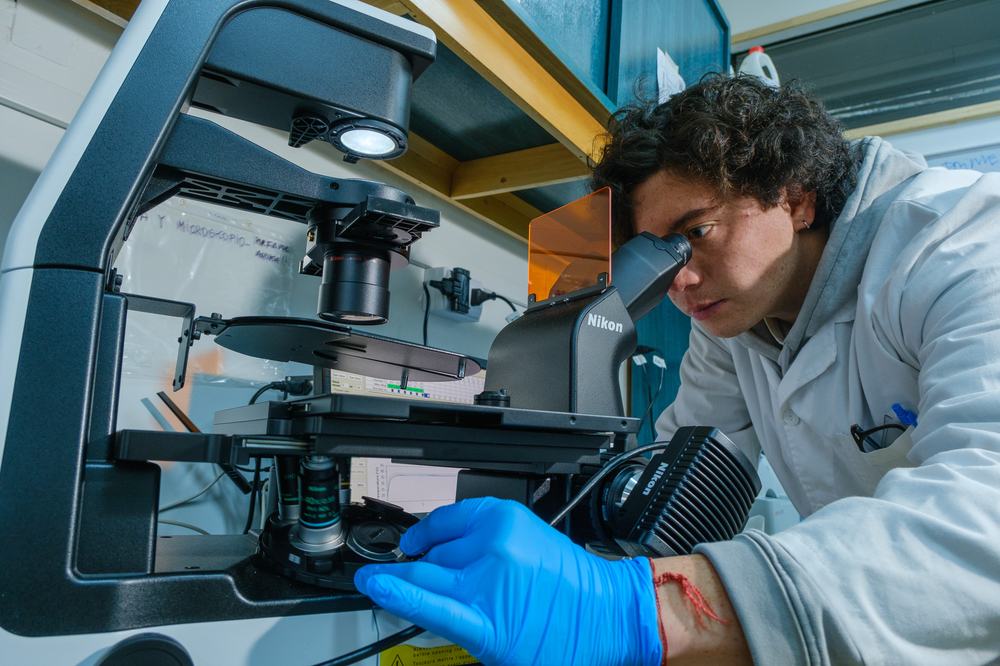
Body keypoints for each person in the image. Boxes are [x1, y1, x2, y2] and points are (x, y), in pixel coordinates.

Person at [355, 75, 1000, 665]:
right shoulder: (733, 323)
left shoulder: (960, 244)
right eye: (661, 253)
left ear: (797, 199)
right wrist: (586, 560)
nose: (681, 281)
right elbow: (682, 474)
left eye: (698, 232)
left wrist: (640, 611)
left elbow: (982, 523)